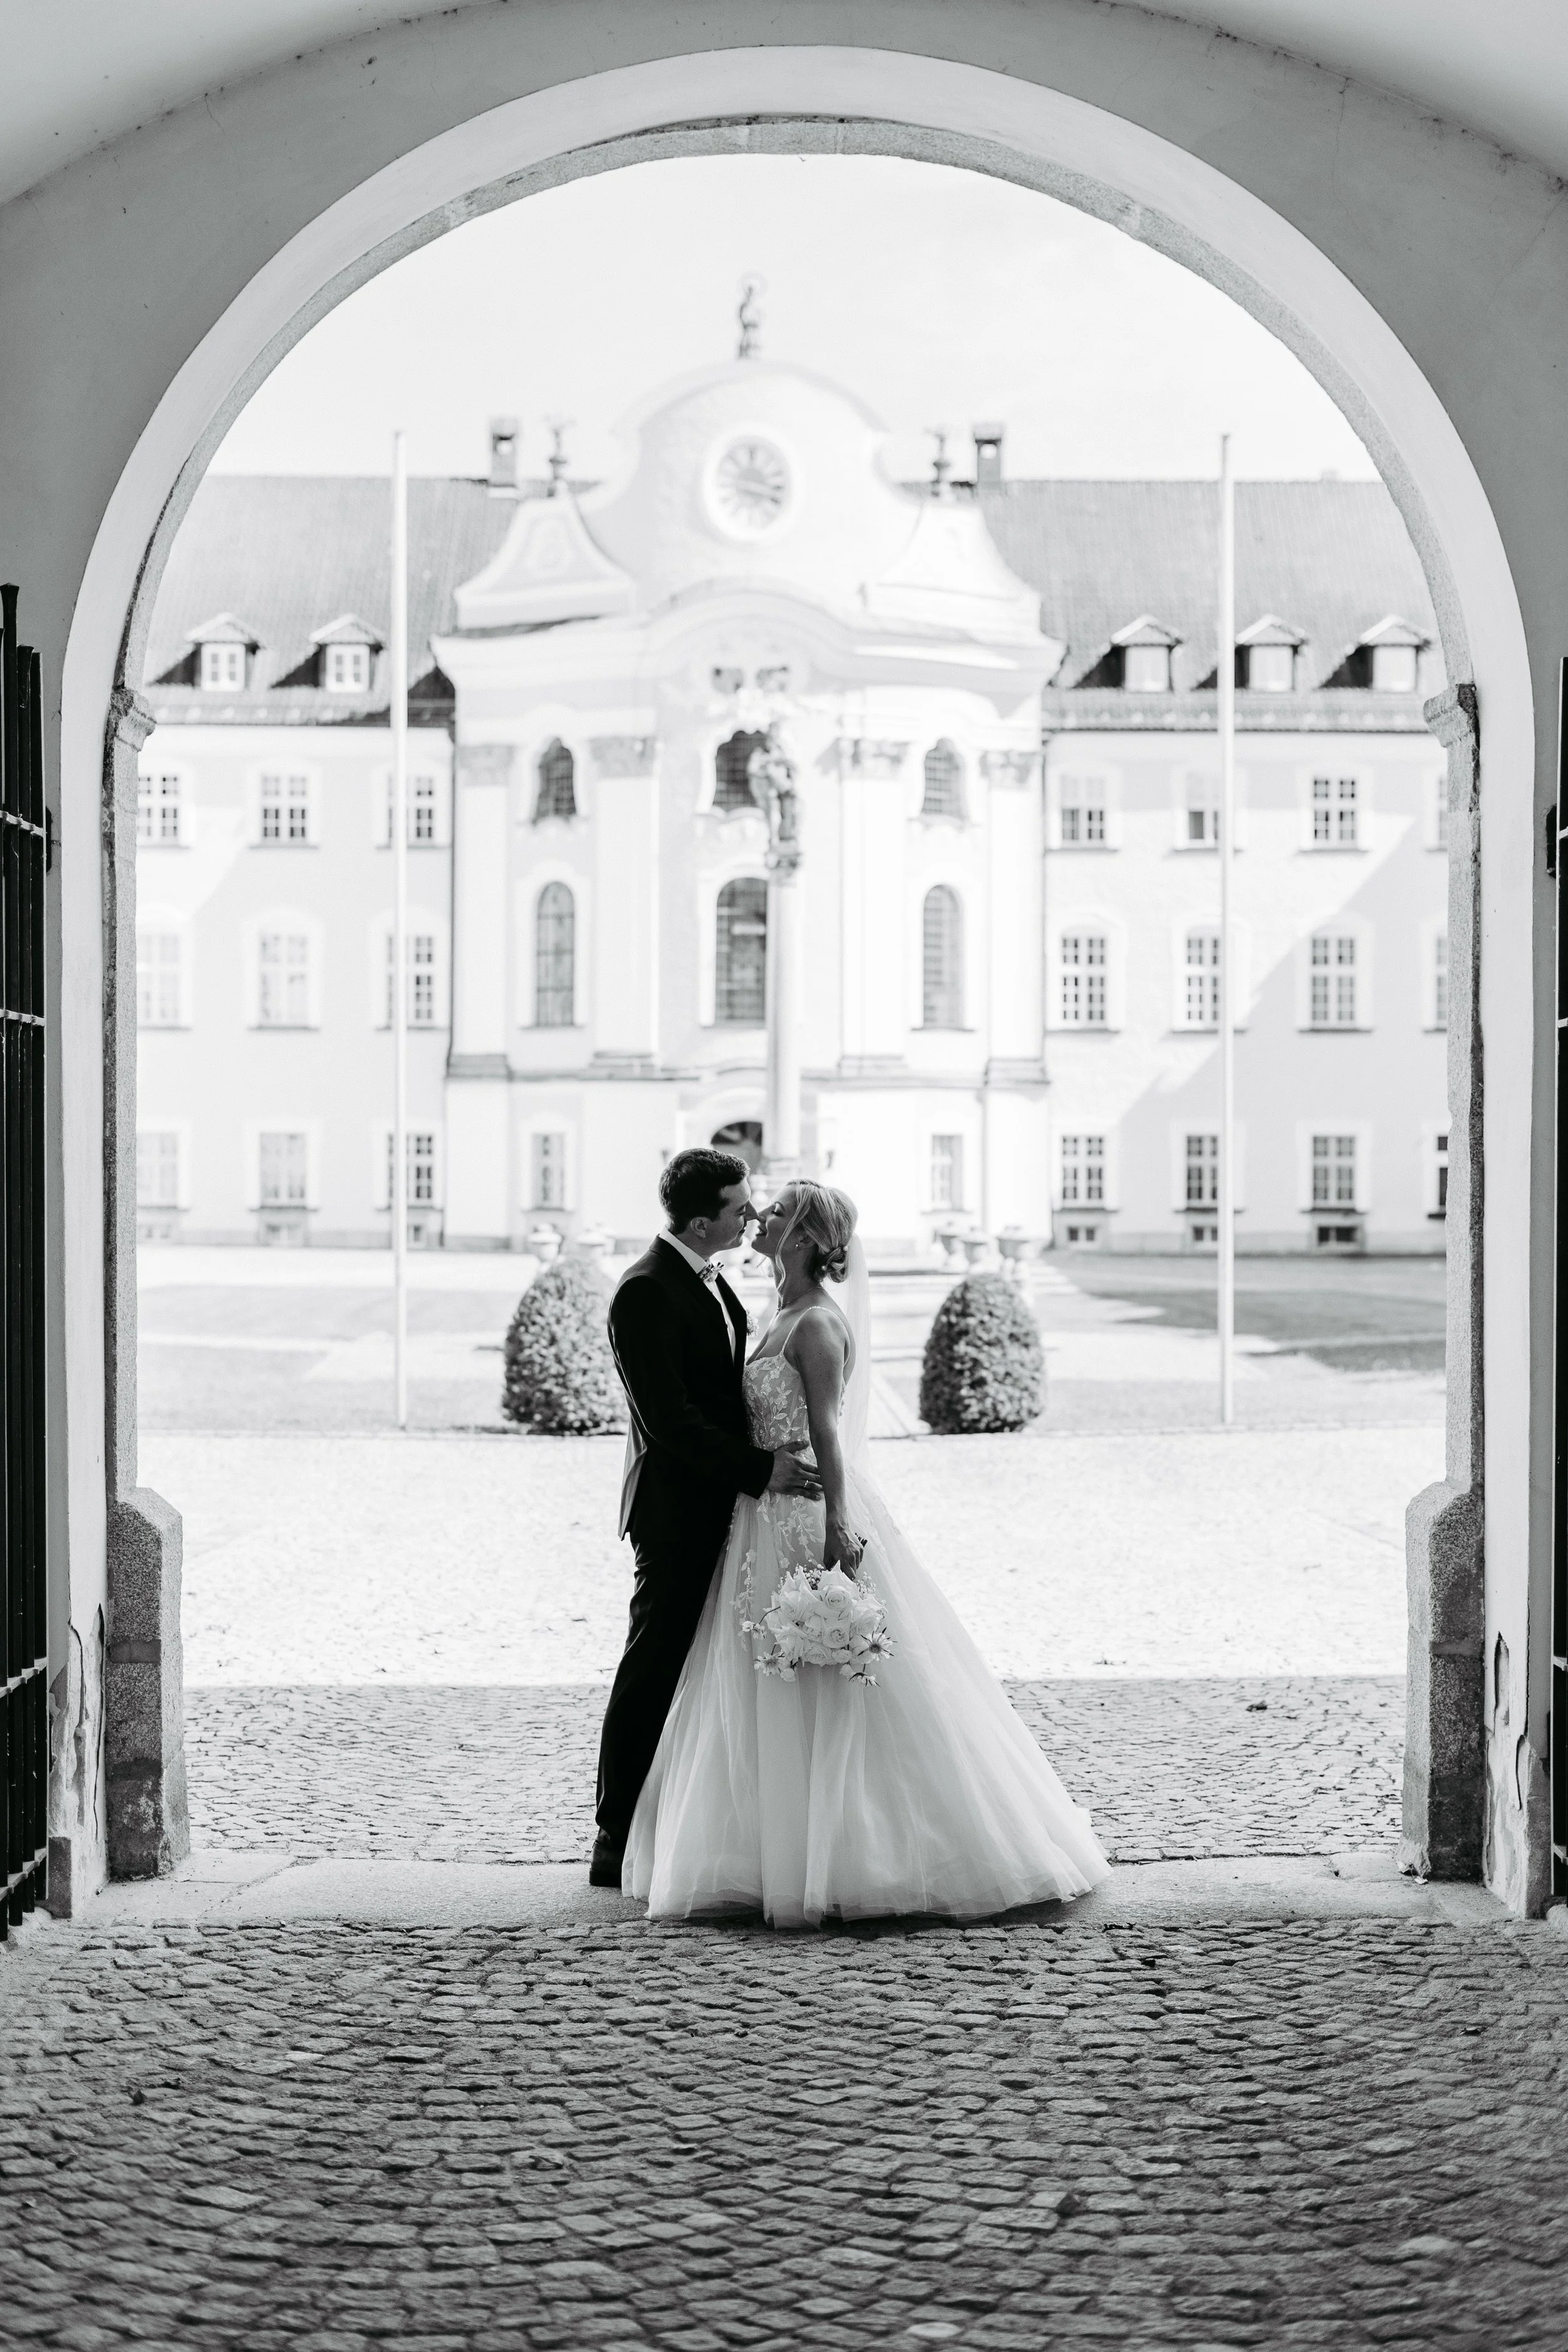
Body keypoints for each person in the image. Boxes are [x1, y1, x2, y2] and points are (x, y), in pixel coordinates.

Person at [623, 1180, 1111, 1926]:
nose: (761, 1216)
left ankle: (866, 1849)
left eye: (778, 1211)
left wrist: (838, 1526)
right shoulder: (774, 1312)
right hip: (757, 1518)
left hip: (802, 1514)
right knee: (762, 1681)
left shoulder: (816, 1324)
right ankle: (769, 1848)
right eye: (759, 1207)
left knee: (834, 1682)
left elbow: (828, 1434)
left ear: (808, 1238)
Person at [590, 1148, 822, 1889]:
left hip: (733, 1508)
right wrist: (761, 1470)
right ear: (700, 1220)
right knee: (654, 1664)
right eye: (738, 1207)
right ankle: (613, 1831)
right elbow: (670, 1421)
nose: (750, 1215)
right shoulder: (645, 1291)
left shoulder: (712, 1281)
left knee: (708, 1667)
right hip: (680, 1509)